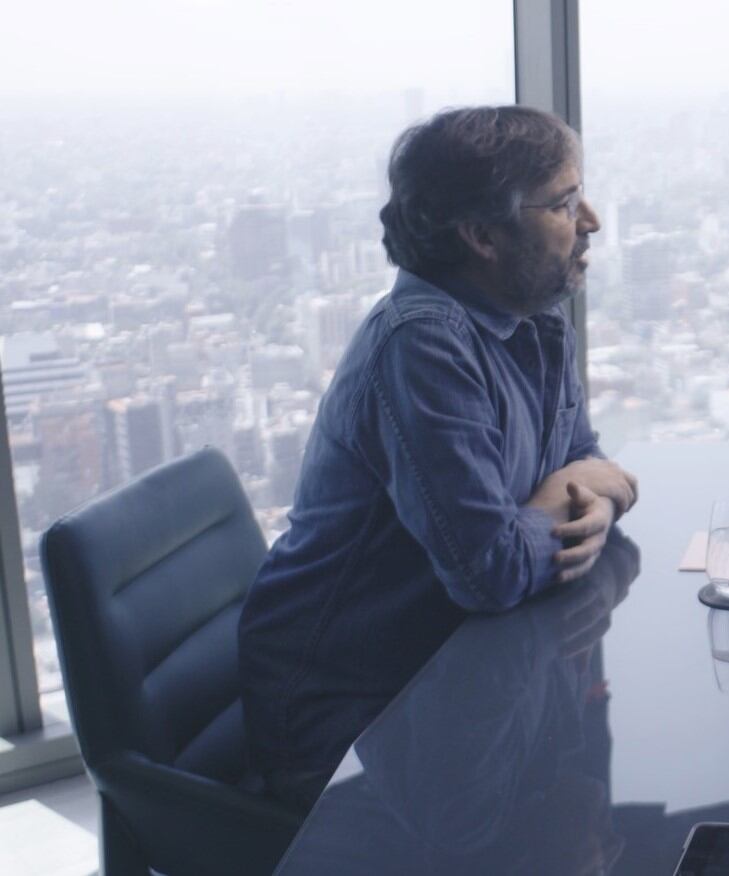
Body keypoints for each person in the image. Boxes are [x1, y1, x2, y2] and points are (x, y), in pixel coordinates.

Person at [239, 105, 639, 810]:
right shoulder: (423, 345)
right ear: (483, 236)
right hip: (354, 724)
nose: (592, 221)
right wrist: (575, 494)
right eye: (564, 202)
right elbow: (490, 573)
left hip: (455, 676)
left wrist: (593, 495)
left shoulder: (533, 321)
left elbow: (586, 464)